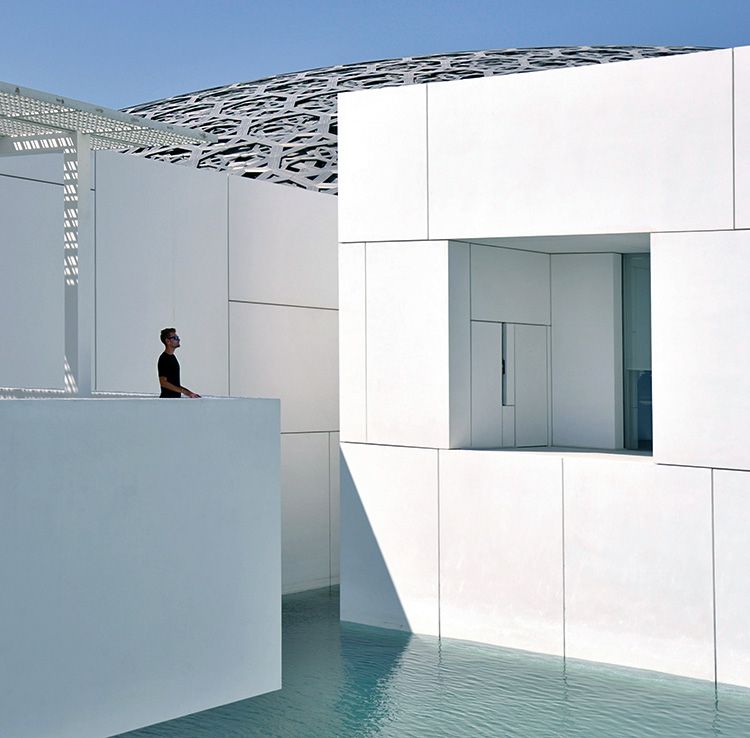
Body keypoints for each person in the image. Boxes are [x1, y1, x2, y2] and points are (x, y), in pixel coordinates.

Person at [158, 328, 200, 398]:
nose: (178, 340)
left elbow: (174, 383)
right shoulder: (164, 358)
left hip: (174, 400)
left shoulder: (172, 357)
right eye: (175, 338)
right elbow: (163, 382)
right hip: (168, 401)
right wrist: (183, 391)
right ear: (168, 341)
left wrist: (189, 392)